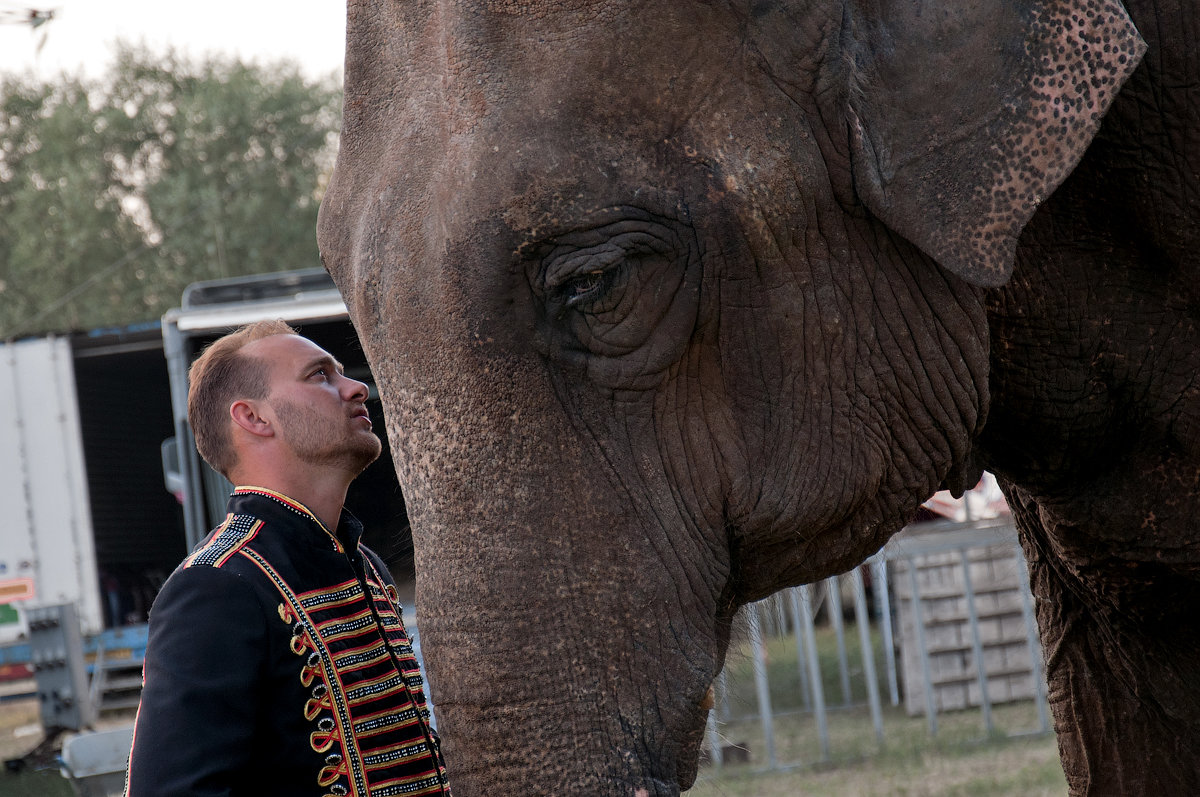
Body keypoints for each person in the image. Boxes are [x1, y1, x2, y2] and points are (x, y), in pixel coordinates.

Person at [125, 320, 450, 796]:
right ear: (254, 418)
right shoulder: (216, 586)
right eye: (320, 375)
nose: (357, 387)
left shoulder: (367, 565)